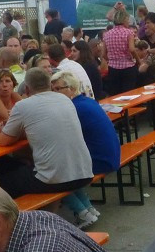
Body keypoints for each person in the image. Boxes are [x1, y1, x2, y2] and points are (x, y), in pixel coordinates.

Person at [0, 67, 93, 203]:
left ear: (27, 89)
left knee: (4, 181)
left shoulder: (23, 106)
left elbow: (3, 141)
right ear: (50, 85)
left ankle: (20, 220)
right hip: (85, 172)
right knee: (31, 168)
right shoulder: (65, 99)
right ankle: (84, 209)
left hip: (55, 180)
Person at [51, 70, 119, 227]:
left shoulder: (75, 108)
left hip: (101, 161)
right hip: (109, 156)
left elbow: (62, 137)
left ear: (72, 89)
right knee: (66, 170)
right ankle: (87, 208)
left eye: (58, 89)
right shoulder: (86, 102)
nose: (54, 93)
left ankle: (83, 213)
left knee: (56, 175)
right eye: (52, 89)